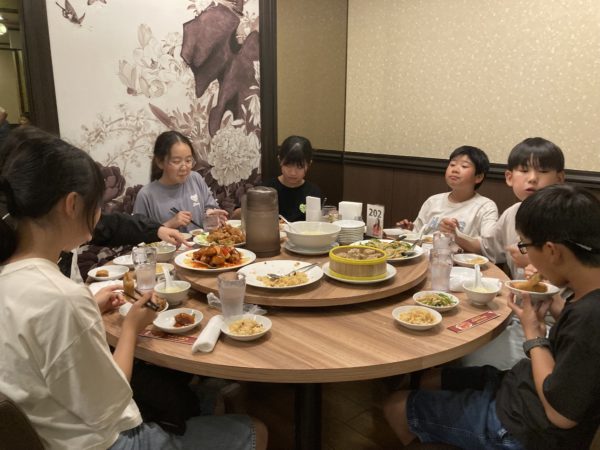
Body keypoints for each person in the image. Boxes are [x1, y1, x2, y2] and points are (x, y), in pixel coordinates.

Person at [0, 129, 267, 450]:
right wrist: (131, 327)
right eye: (97, 205)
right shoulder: (62, 297)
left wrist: (90, 308)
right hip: (98, 442)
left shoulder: (10, 276)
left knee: (181, 396)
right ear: (72, 204)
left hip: (46, 428)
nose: (99, 214)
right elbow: (110, 400)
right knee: (255, 429)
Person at [384, 184, 600, 450]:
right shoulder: (587, 291)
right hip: (522, 387)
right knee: (430, 380)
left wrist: (534, 335)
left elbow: (561, 414)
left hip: (526, 429)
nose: (525, 254)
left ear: (553, 251)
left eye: (525, 246)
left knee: (395, 406)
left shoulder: (591, 316)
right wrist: (554, 307)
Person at [133, 130, 228, 232]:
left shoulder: (195, 178)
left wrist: (211, 216)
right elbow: (138, 237)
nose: (184, 167)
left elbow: (209, 209)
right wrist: (170, 224)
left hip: (201, 242)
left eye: (188, 160)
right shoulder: (146, 195)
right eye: (176, 161)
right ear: (160, 162)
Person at [396, 146, 498, 238]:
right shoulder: (433, 201)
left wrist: (457, 235)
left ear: (478, 177)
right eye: (452, 164)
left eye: (464, 166)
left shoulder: (485, 207)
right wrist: (409, 230)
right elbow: (418, 232)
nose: (455, 170)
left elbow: (488, 245)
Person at [263, 135, 321, 222]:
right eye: (288, 165)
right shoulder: (267, 189)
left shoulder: (313, 192)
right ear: (279, 160)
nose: (293, 173)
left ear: (309, 164)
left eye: (299, 167)